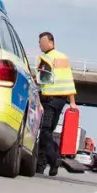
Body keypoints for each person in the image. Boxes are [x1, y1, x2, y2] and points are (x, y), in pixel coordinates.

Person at [34, 31, 76, 176]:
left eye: (42, 42)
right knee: (46, 133)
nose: (40, 44)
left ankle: (54, 158)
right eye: (39, 42)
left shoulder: (44, 58)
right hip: (60, 101)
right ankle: (41, 166)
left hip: (49, 99)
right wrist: (71, 101)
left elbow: (40, 79)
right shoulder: (62, 57)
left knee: (44, 131)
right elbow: (68, 79)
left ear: (51, 42)